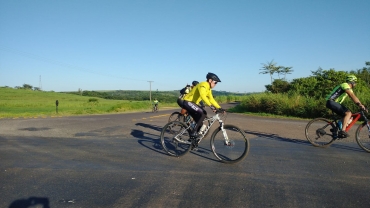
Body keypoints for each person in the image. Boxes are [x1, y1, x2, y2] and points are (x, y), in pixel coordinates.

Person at [183, 72, 225, 139]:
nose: (216, 84)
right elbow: (203, 96)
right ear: (210, 80)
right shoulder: (203, 84)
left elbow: (211, 99)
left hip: (193, 103)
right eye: (215, 82)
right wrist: (211, 106)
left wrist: (219, 107)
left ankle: (192, 141)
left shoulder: (208, 89)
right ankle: (193, 132)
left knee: (200, 123)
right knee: (203, 113)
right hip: (188, 102)